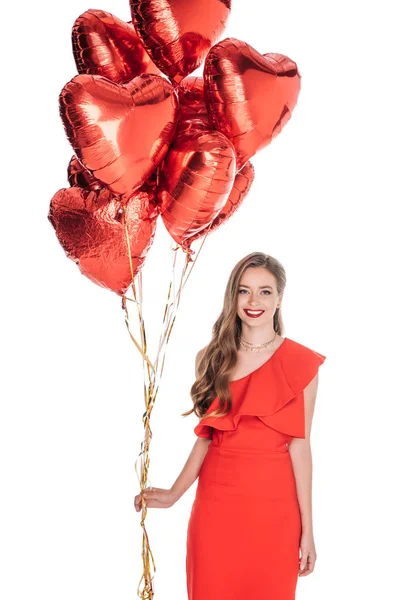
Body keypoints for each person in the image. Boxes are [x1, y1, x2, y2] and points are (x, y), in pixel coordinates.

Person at [134, 251, 326, 599]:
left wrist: (308, 529)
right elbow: (207, 438)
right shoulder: (214, 357)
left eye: (265, 291)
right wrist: (175, 493)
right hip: (216, 507)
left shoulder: (301, 363)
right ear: (233, 297)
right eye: (244, 290)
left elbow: (301, 445)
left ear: (280, 298)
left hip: (275, 510)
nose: (254, 301)